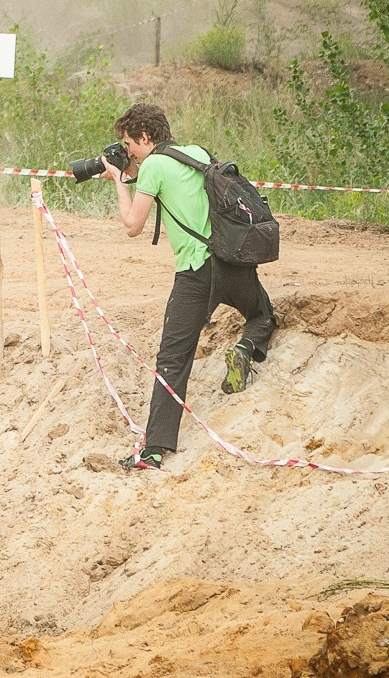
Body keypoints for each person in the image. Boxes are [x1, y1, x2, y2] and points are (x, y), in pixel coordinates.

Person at [102, 102, 275, 470]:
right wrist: (133, 169)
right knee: (262, 314)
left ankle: (154, 449)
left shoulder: (152, 168)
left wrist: (120, 180)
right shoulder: (196, 152)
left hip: (196, 273)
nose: (128, 151)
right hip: (231, 259)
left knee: (173, 358)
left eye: (130, 143)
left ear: (145, 137)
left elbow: (132, 225)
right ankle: (246, 347)